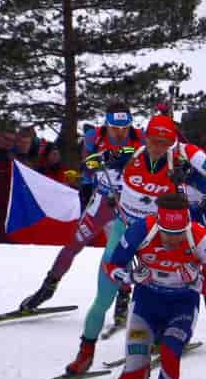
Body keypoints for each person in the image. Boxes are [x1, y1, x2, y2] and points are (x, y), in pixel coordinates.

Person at [63, 114, 206, 375]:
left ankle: (156, 339)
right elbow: (90, 164)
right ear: (148, 138)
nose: (158, 148)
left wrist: (188, 175)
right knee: (103, 295)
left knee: (158, 291)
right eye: (154, 141)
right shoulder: (130, 154)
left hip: (157, 237)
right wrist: (100, 164)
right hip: (125, 229)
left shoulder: (176, 163)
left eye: (165, 143)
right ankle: (85, 352)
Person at [82, 191, 206, 379]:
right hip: (146, 305)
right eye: (167, 232)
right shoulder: (141, 230)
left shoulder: (202, 239)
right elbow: (111, 266)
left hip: (181, 307)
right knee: (135, 367)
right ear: (158, 223)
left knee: (170, 355)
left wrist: (195, 281)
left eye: (179, 232)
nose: (172, 240)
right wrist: (128, 275)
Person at [19, 104, 144, 312]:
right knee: (74, 243)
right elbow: (87, 165)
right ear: (107, 124)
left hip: (129, 203)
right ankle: (47, 287)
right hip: (103, 200)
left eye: (124, 128)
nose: (120, 133)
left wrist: (123, 156)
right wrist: (103, 162)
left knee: (123, 249)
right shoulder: (94, 136)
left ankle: (123, 296)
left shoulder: (139, 136)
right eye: (115, 128)